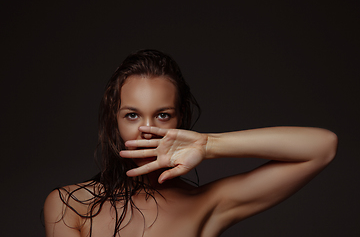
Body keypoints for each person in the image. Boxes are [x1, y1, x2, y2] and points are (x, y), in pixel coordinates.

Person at [43, 49, 338, 237]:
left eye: (162, 115)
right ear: (115, 120)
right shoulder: (69, 205)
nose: (147, 130)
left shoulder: (208, 204)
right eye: (132, 115)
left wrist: (208, 145)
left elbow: (322, 147)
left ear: (179, 118)